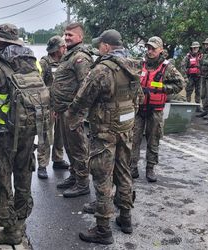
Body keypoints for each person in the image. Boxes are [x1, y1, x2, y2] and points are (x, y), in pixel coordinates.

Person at [0, 23, 45, 245]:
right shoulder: (33, 63)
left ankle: (10, 230)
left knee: (2, 179)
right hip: (28, 131)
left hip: (2, 134)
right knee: (24, 176)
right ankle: (21, 222)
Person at [69, 29, 140, 245]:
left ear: (107, 46)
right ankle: (126, 219)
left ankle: (102, 230)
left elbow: (82, 99)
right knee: (124, 172)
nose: (99, 48)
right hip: (126, 128)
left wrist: (73, 115)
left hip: (105, 131)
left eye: (100, 44)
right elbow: (139, 96)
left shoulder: (102, 69)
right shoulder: (133, 65)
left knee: (102, 178)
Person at [131, 36, 184, 182]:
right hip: (139, 109)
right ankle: (132, 167)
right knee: (133, 139)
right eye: (148, 47)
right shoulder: (140, 64)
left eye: (153, 48)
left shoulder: (167, 67)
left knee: (153, 140)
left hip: (155, 110)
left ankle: (150, 169)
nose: (150, 50)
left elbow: (180, 84)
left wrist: (162, 88)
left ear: (160, 49)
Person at [51, 22, 93, 198]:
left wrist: (75, 109)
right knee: (68, 147)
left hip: (73, 112)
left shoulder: (80, 57)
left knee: (78, 148)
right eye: (65, 34)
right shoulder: (69, 55)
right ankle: (75, 176)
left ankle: (83, 183)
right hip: (62, 110)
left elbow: (86, 86)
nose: (67, 37)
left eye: (71, 35)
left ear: (80, 37)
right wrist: (57, 107)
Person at [37, 35, 69, 179]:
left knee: (60, 134)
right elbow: (38, 86)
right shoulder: (44, 63)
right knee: (45, 135)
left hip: (61, 105)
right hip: (47, 107)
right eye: (63, 46)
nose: (65, 48)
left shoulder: (65, 61)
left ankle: (58, 159)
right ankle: (42, 165)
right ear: (56, 49)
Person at [181, 41, 203, 111]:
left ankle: (198, 107)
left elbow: (204, 66)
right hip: (190, 77)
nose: (196, 49)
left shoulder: (201, 56)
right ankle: (187, 105)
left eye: (197, 47)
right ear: (192, 48)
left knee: (198, 92)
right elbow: (183, 66)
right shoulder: (187, 56)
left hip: (199, 76)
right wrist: (185, 77)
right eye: (194, 47)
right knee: (188, 91)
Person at [198, 38, 208, 118]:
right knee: (203, 94)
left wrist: (204, 61)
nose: (205, 45)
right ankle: (205, 110)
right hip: (203, 76)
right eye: (205, 44)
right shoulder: (205, 54)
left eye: (207, 44)